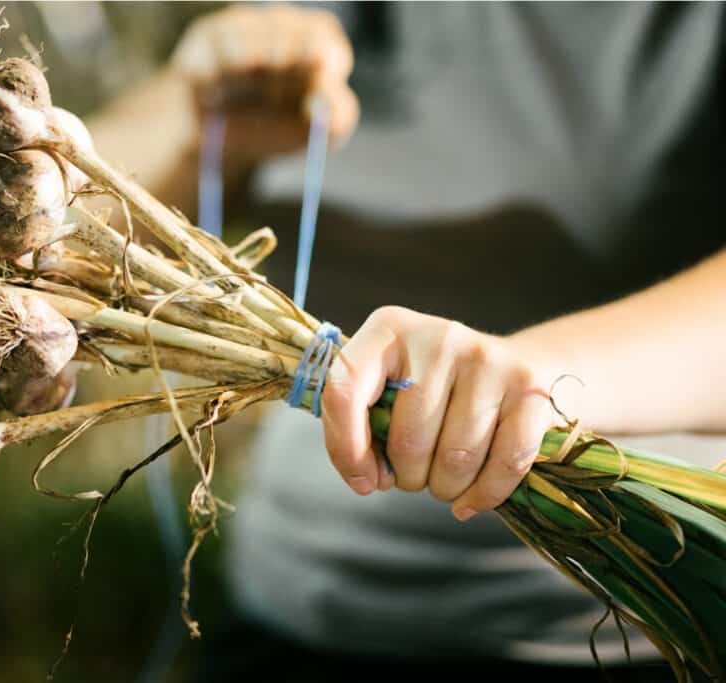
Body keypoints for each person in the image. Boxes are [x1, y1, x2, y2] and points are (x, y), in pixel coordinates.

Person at [86, 3, 725, 680]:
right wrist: (191, 118)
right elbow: (43, 201)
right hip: (288, 619)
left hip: (607, 631)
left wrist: (534, 383)